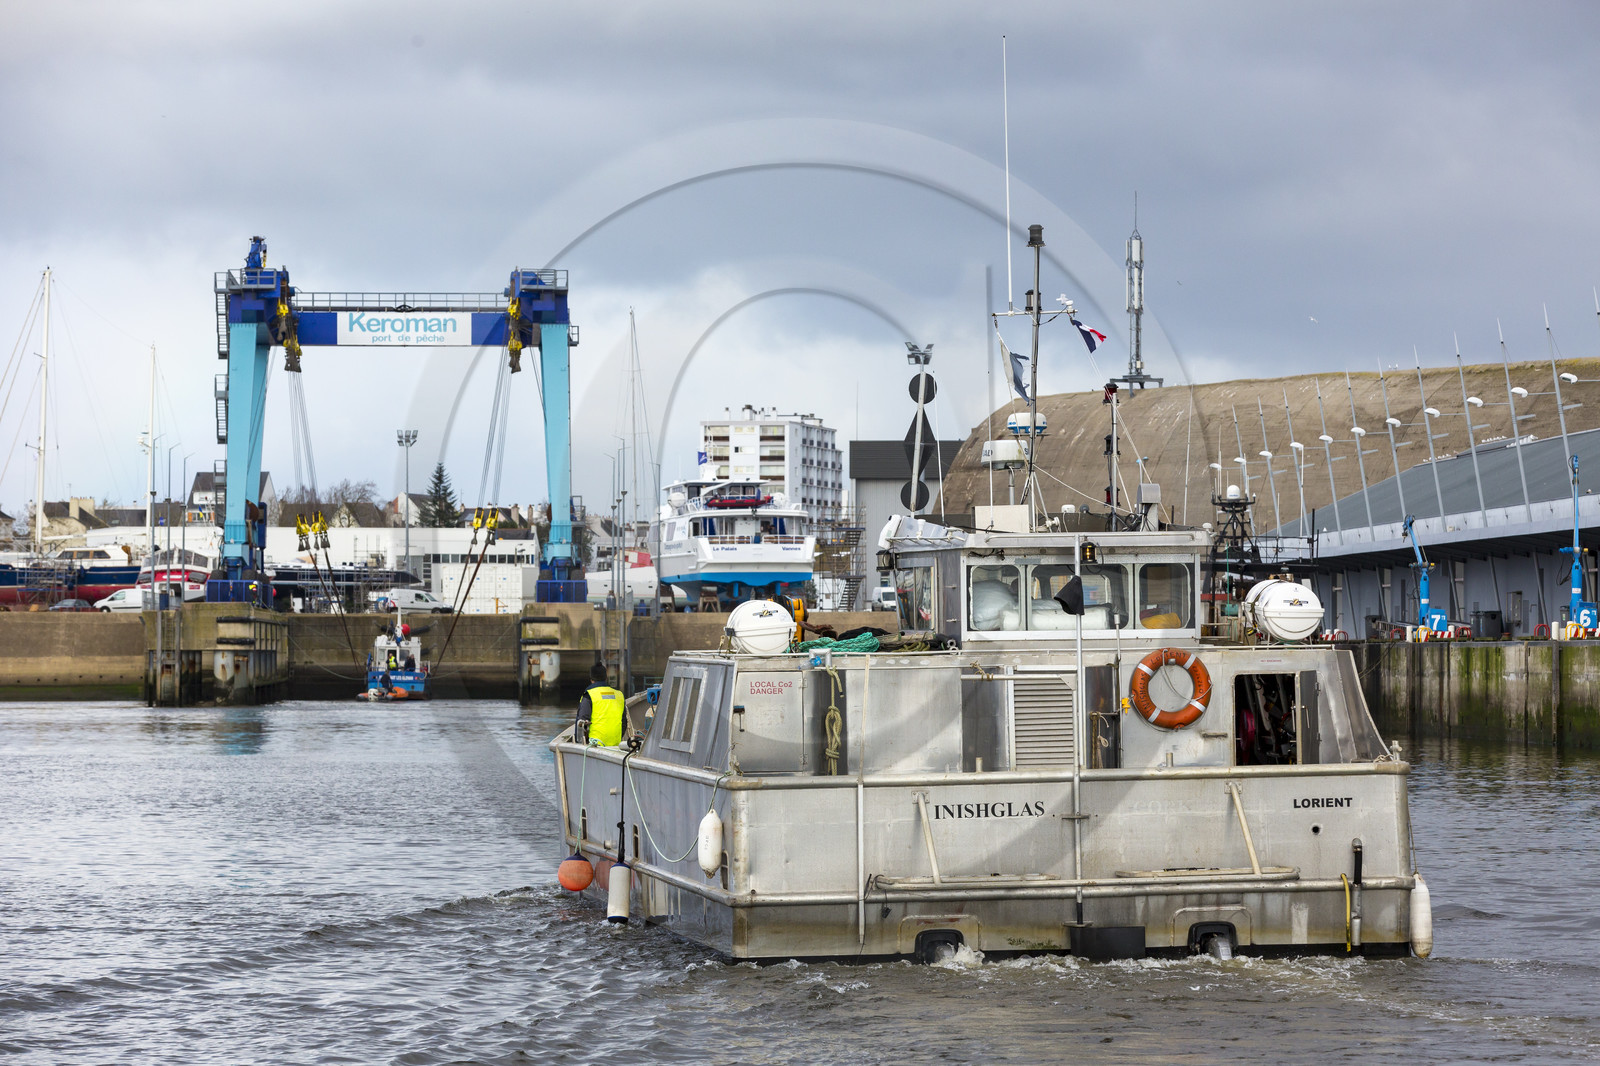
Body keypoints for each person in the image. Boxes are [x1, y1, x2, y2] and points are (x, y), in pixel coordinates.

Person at [576, 662, 625, 746]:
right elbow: (624, 722)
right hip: (616, 744)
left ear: (591, 679)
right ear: (606, 678)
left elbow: (582, 723)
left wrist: (579, 742)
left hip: (595, 744)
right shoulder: (619, 695)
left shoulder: (589, 695)